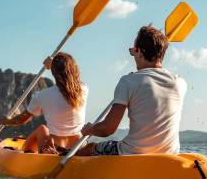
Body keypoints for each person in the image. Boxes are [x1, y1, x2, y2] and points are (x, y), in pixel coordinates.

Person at [76, 24, 187, 156]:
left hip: (132, 152)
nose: (133, 55)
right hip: (169, 154)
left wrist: (91, 129)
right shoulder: (179, 82)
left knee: (92, 147)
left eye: (133, 51)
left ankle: (62, 159)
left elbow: (108, 129)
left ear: (141, 51)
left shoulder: (128, 82)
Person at [0, 52, 88, 154]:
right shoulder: (83, 89)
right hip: (79, 146)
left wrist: (7, 121)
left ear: (54, 72)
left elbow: (21, 120)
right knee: (47, 131)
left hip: (55, 146)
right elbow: (72, 78)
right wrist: (53, 65)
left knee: (42, 129)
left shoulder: (42, 95)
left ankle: (26, 152)